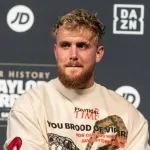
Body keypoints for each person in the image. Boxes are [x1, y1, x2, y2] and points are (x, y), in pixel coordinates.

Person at [4, 9, 150, 150]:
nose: (73, 54)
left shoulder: (128, 115)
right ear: (56, 51)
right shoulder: (29, 106)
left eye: (82, 46)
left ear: (98, 54)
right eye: (65, 45)